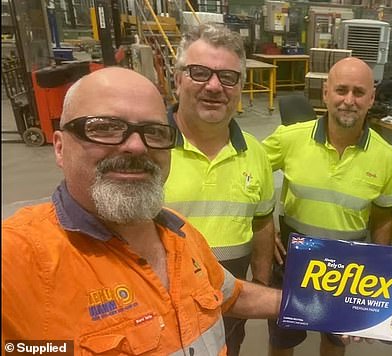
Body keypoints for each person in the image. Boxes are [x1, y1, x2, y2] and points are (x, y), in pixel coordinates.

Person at [1, 67, 281, 355]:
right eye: (105, 127)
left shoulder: (179, 231)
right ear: (59, 147)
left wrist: (316, 306)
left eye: (155, 132)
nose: (136, 146)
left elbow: (230, 296)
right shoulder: (17, 259)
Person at [262, 57, 392, 356]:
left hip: (348, 268)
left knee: (335, 341)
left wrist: (378, 264)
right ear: (326, 93)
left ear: (372, 98)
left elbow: (383, 214)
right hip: (292, 260)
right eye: (341, 90)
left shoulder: (385, 156)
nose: (349, 100)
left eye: (359, 92)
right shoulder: (290, 139)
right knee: (283, 340)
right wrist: (263, 226)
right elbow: (249, 174)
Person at [164, 24, 276, 356]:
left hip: (229, 312)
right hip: (160, 313)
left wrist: (261, 285)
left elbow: (262, 223)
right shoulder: (146, 148)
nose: (214, 86)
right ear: (177, 78)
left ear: (240, 87)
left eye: (228, 77)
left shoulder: (256, 153)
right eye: (199, 73)